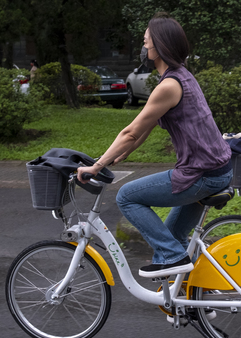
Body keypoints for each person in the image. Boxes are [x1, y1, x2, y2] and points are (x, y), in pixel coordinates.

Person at [77, 15, 232, 279]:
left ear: (160, 46)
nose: (143, 46)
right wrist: (126, 152)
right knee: (172, 237)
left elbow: (130, 131)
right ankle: (198, 299)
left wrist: (97, 165)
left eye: (146, 41)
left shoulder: (169, 85)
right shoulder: (180, 77)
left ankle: (173, 258)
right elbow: (145, 126)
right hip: (216, 170)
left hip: (201, 174)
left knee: (127, 196)